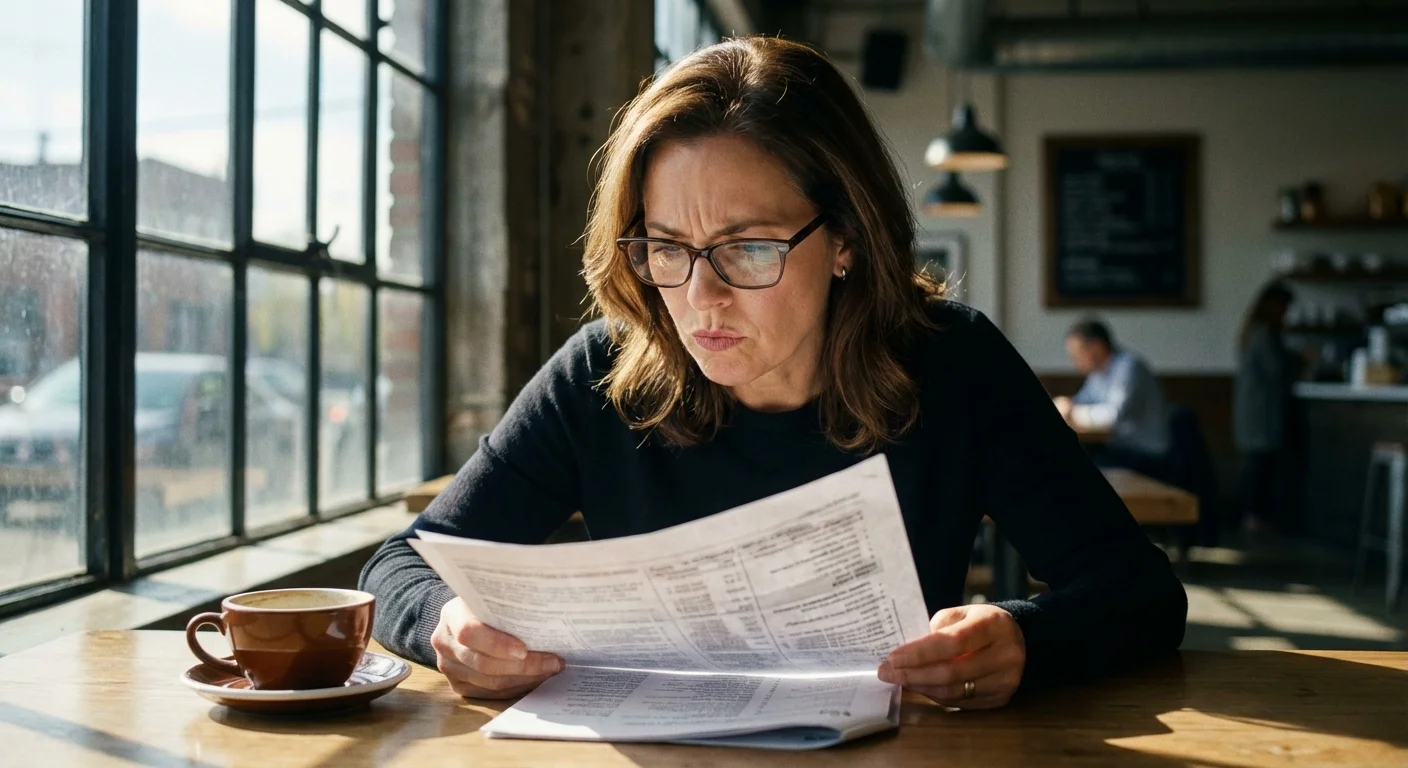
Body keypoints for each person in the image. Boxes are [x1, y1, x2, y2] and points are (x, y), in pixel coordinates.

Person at [360, 37, 1186, 711]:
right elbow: (402, 564)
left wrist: (1025, 640)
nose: (700, 297)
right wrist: (448, 622)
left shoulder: (951, 362)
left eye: (749, 247)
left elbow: (1140, 593)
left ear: (845, 240)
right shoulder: (604, 371)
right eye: (668, 248)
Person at [1055, 318, 1171, 477]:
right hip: (1116, 448)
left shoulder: (1129, 368)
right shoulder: (1098, 373)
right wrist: (1066, 405)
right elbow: (1081, 401)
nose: (1075, 361)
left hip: (1143, 454)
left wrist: (1073, 411)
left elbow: (1113, 416)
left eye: (1077, 354)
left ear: (1096, 348)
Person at [1233, 282, 1296, 534]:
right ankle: (1254, 518)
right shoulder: (1263, 334)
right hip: (1261, 412)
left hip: (1252, 410)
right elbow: (1276, 369)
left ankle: (1252, 517)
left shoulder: (1252, 331)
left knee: (1256, 466)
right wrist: (1299, 360)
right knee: (1260, 467)